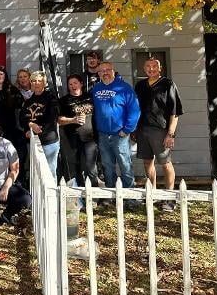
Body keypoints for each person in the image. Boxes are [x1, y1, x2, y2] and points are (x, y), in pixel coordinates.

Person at [135, 57, 183, 212]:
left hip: (161, 129)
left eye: (154, 66)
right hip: (143, 129)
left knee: (165, 163)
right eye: (148, 66)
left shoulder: (168, 84)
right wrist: (134, 129)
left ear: (160, 68)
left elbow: (175, 112)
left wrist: (171, 134)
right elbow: (135, 109)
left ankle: (170, 198)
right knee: (147, 162)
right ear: (144, 69)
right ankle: (153, 193)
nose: (151, 69)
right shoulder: (140, 85)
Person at [91, 62, 140, 192]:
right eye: (102, 71)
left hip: (120, 135)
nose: (105, 73)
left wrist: (127, 129)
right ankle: (110, 193)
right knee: (107, 166)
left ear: (113, 71)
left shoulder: (124, 88)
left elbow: (135, 110)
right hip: (102, 134)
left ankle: (129, 195)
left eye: (108, 70)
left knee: (125, 164)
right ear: (99, 74)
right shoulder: (96, 89)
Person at [0, 65, 26, 183]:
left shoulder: (13, 91)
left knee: (12, 157)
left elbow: (21, 110)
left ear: (5, 76)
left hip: (12, 130)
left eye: (1, 74)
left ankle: (15, 181)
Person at [58, 74, 98, 187]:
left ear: (81, 84)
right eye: (70, 84)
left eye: (75, 83)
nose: (73, 86)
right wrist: (73, 120)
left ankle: (93, 195)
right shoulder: (64, 100)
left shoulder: (90, 97)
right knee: (75, 166)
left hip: (90, 138)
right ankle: (78, 196)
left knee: (91, 167)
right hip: (72, 138)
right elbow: (59, 120)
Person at [20, 71, 60, 181]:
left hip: (48, 142)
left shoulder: (51, 98)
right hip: (33, 142)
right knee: (37, 171)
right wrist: (30, 125)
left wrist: (37, 129)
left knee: (50, 171)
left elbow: (52, 118)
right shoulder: (28, 102)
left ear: (44, 83)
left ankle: (51, 197)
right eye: (33, 81)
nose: (36, 83)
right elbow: (22, 118)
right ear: (30, 83)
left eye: (39, 81)